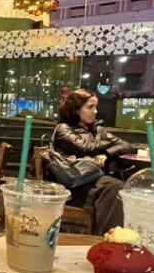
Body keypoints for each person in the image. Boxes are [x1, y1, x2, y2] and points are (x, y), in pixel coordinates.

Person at [51, 89, 136, 235]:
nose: (95, 111)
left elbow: (128, 147)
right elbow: (85, 148)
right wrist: (108, 144)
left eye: (96, 107)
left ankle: (114, 237)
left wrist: (107, 154)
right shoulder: (63, 129)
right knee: (114, 188)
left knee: (122, 187)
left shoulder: (96, 130)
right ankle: (106, 238)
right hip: (73, 183)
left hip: (94, 178)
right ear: (76, 109)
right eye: (90, 107)